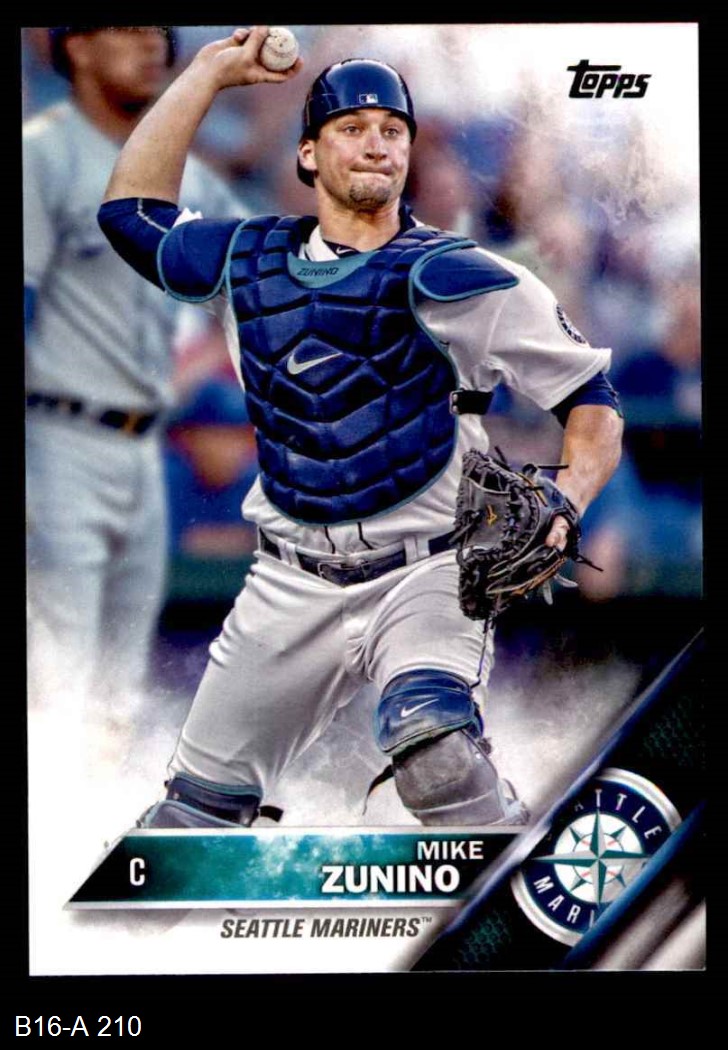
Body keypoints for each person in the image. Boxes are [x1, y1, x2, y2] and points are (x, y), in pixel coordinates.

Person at [97, 26, 623, 828]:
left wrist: (570, 495)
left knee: (437, 757)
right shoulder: (247, 259)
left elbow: (592, 397)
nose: (377, 144)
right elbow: (130, 215)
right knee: (187, 830)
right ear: (308, 153)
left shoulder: (460, 274)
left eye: (392, 130)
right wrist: (206, 73)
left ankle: (510, 864)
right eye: (352, 128)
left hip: (425, 569)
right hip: (288, 579)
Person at [24, 26, 246, 711]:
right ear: (77, 48)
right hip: (59, 440)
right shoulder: (43, 153)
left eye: (159, 33)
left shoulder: (182, 172)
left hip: (144, 446)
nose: (152, 45)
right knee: (58, 677)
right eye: (129, 30)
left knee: (119, 689)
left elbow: (255, 275)